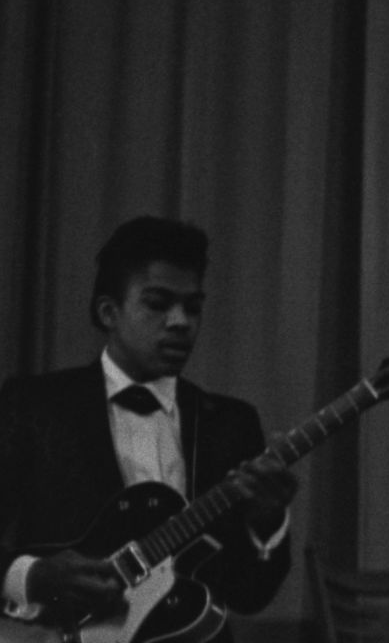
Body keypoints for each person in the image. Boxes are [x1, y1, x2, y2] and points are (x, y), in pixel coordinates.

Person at [0, 216, 298, 642]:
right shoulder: (33, 406)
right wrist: (32, 576)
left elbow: (250, 595)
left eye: (192, 307)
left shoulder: (231, 423)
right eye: (158, 303)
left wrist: (266, 524)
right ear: (109, 312)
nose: (180, 321)